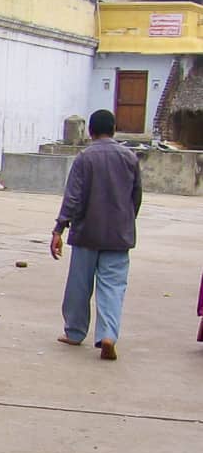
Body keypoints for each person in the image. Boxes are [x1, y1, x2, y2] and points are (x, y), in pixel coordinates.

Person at [50, 109, 142, 361]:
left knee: (80, 285)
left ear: (90, 131)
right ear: (113, 130)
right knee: (113, 287)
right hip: (118, 236)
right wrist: (125, 222)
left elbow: (73, 198)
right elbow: (136, 198)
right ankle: (108, 335)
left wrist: (59, 228)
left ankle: (75, 332)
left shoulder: (84, 158)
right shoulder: (129, 158)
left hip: (86, 233)